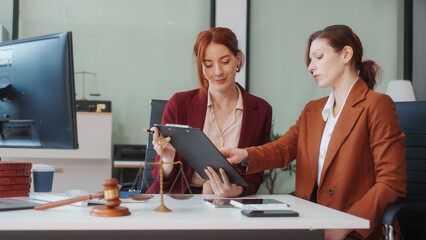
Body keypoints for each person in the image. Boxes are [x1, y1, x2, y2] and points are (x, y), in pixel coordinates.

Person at [220, 25, 406, 240]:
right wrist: (244, 155)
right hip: (312, 221)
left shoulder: (376, 105)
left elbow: (391, 182)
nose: (310, 66)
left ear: (346, 54)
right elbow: (282, 149)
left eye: (318, 57)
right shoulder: (313, 110)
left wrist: (349, 223)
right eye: (310, 60)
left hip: (355, 229)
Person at [147, 27, 272, 197]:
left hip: (230, 200)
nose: (218, 71)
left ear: (238, 59)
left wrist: (238, 190)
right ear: (202, 68)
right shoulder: (178, 104)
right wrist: (168, 160)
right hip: (182, 199)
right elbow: (160, 180)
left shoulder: (261, 110)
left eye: (225, 61)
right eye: (208, 65)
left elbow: (256, 173)